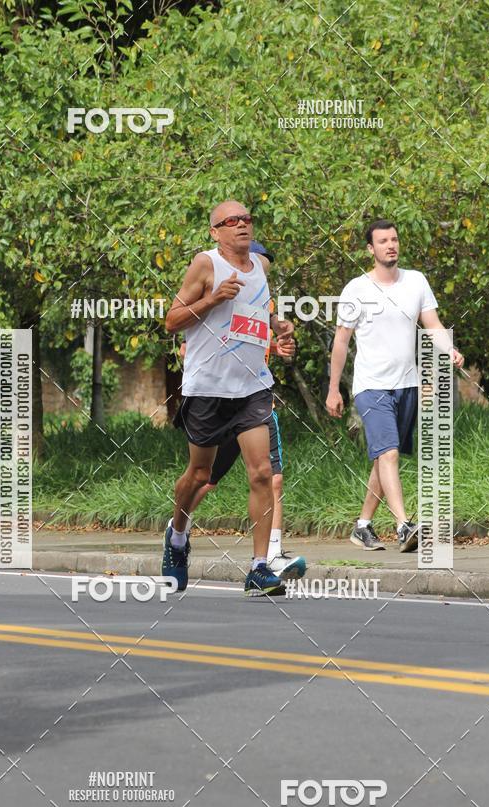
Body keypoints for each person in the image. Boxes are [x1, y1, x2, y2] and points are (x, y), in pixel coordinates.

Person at [163, 201, 295, 594]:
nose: (242, 225)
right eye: (231, 221)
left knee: (262, 473)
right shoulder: (205, 265)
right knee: (199, 475)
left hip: (252, 387)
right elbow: (172, 321)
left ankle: (259, 567)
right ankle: (177, 536)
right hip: (208, 388)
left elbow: (253, 315)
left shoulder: (260, 269)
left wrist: (277, 326)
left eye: (247, 219)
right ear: (215, 231)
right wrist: (213, 298)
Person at [326, 219, 464, 552]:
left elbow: (431, 324)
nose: (391, 245)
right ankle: (404, 526)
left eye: (394, 239)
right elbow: (341, 341)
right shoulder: (356, 289)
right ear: (370, 249)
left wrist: (450, 350)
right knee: (387, 452)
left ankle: (362, 526)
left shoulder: (416, 281)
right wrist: (333, 388)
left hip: (407, 385)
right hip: (371, 386)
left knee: (384, 457)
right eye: (383, 241)